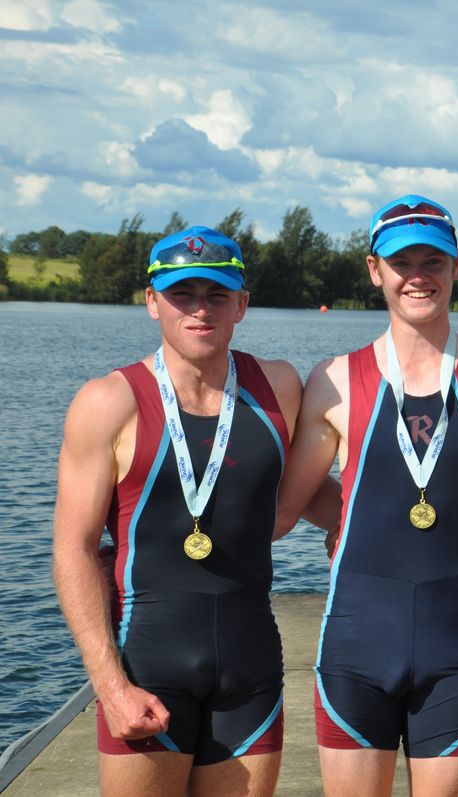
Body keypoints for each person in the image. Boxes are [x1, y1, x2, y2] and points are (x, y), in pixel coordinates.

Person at [273, 194, 458, 797]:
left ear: (457, 267)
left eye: (433, 262)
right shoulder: (335, 379)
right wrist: (359, 516)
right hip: (356, 644)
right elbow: (288, 506)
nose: (418, 276)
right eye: (402, 263)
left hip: (455, 648)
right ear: (374, 270)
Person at [53, 227, 302, 797]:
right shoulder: (107, 402)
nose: (199, 309)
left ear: (242, 303)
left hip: (252, 667)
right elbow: (74, 548)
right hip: (147, 665)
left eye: (216, 294)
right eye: (181, 294)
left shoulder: (280, 387)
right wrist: (110, 686)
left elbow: (318, 490)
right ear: (151, 302)